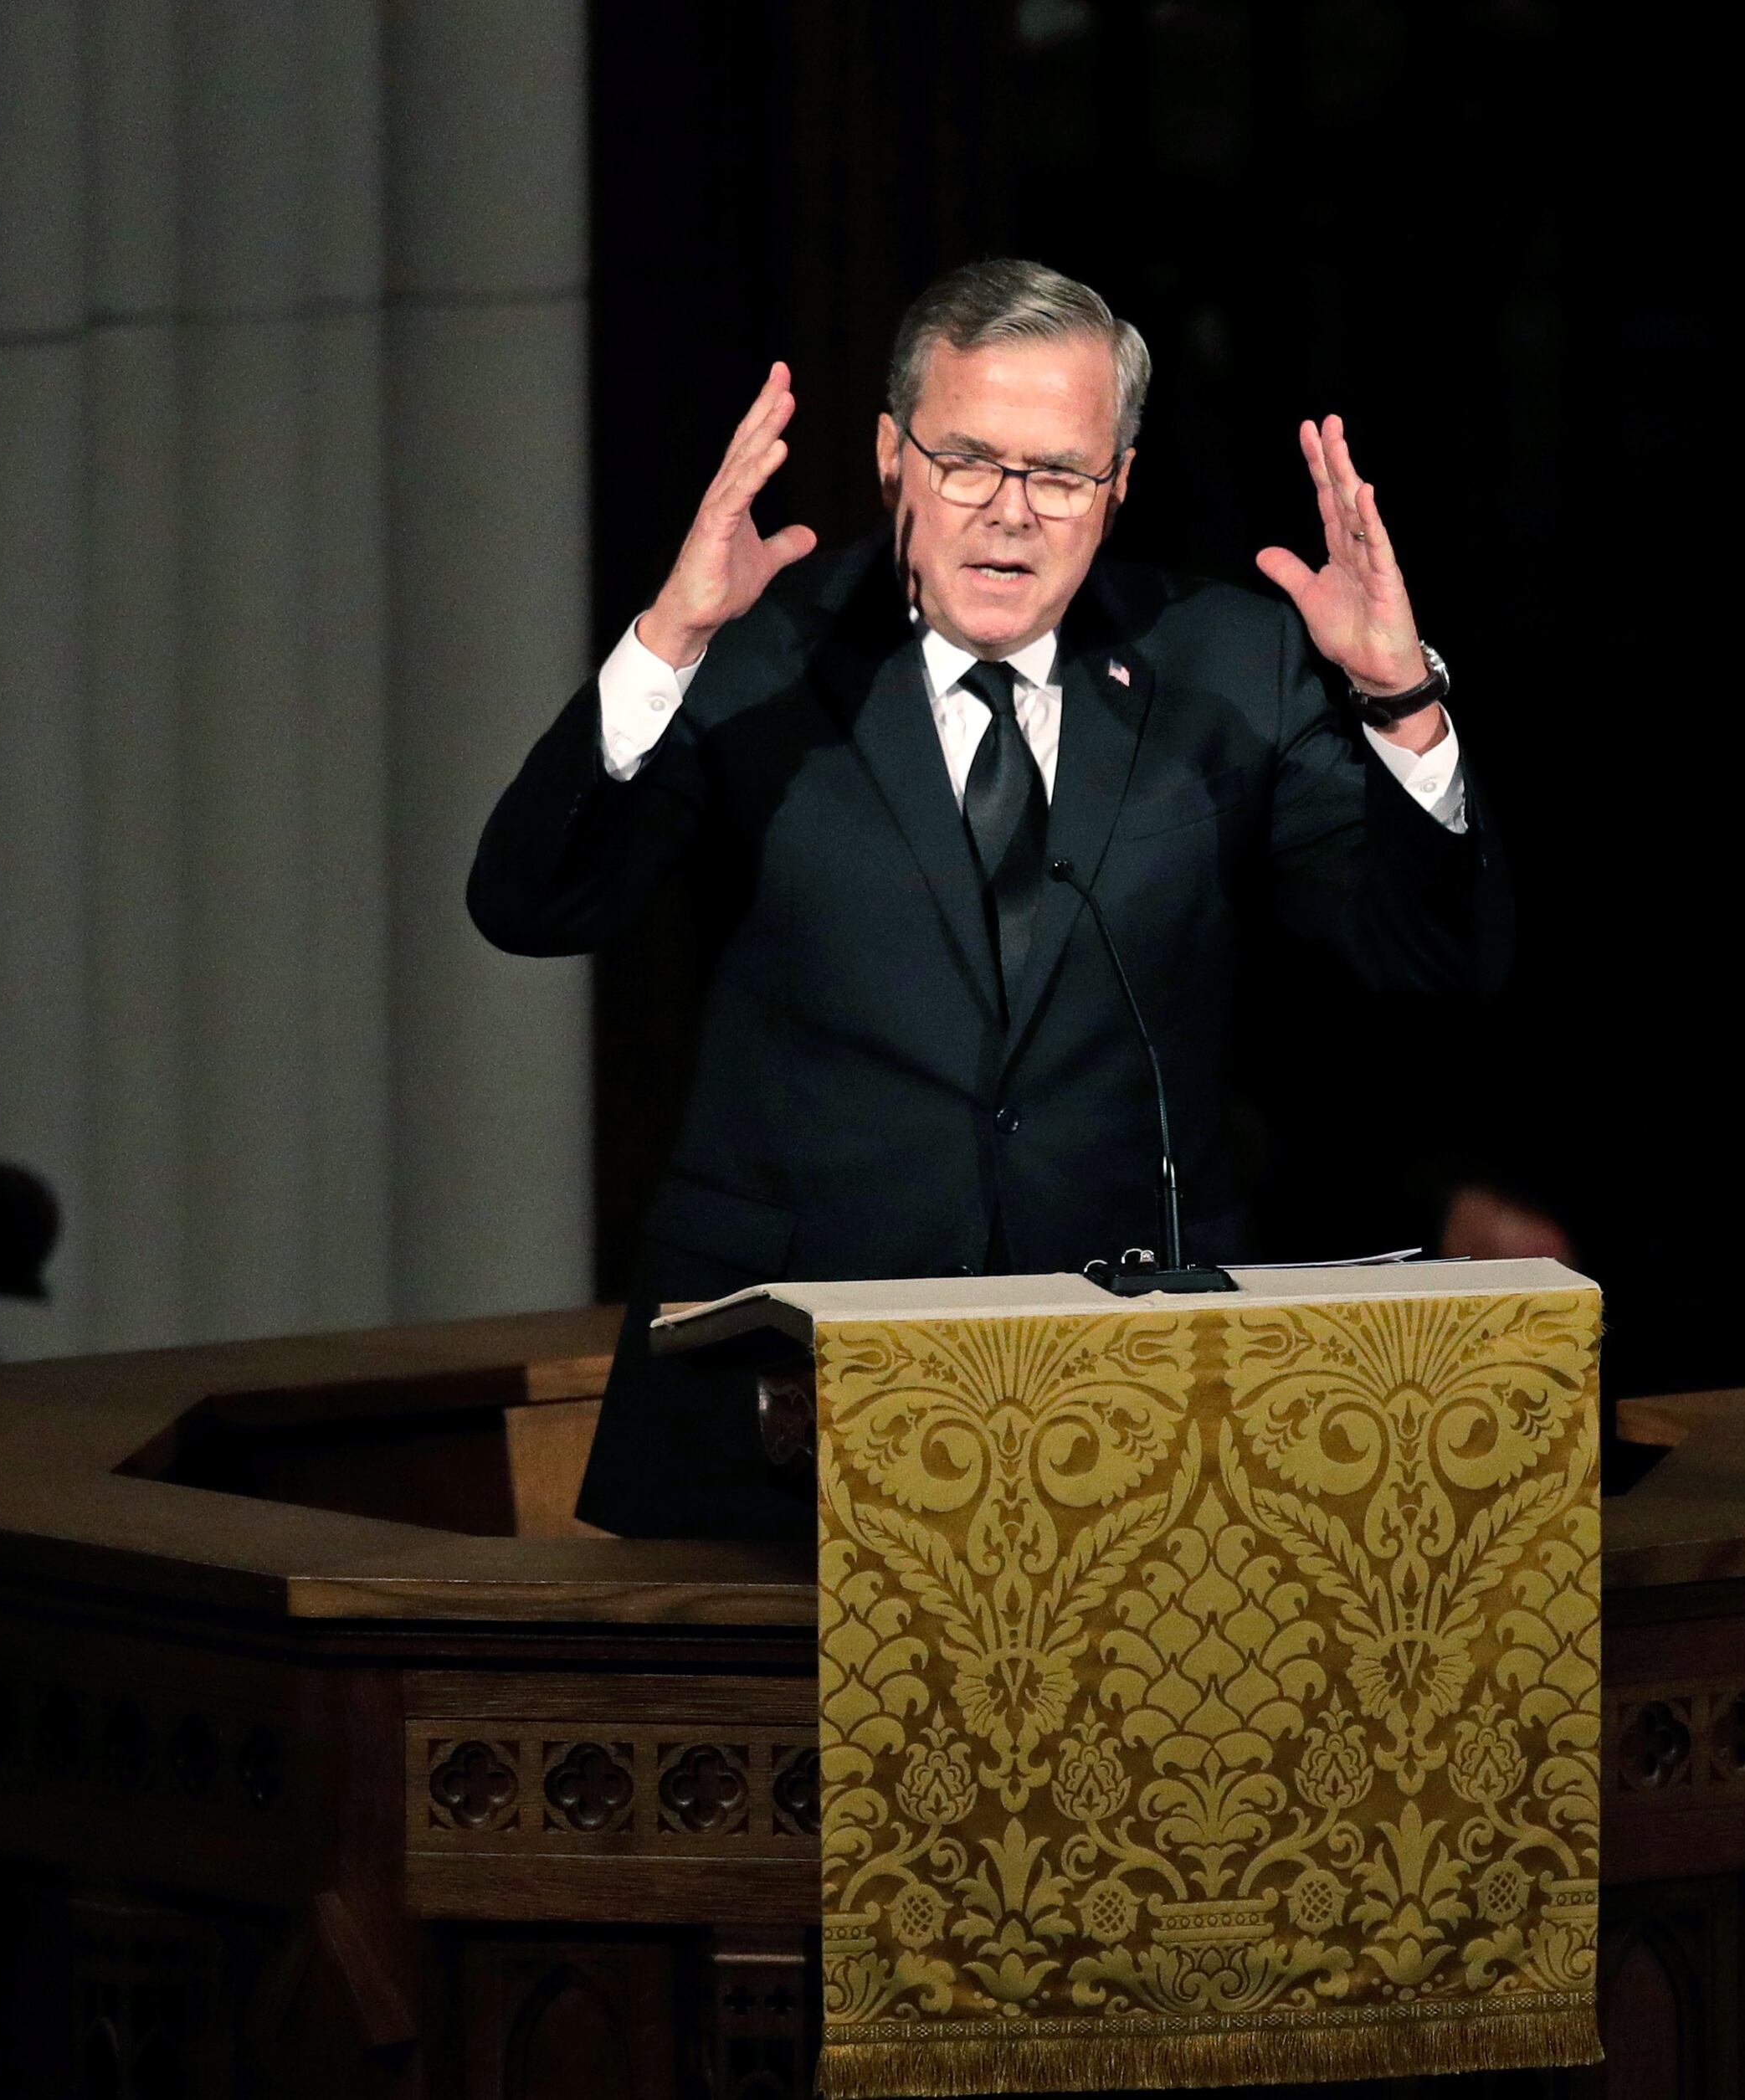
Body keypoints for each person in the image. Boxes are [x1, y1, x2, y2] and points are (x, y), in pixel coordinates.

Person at [470, 258, 1510, 1539]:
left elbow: (1438, 955)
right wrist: (666, 645)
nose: (1009, 512)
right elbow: (530, 905)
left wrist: (1403, 702)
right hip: (786, 1399)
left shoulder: (1234, 665)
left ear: (1118, 484)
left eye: (1060, 473)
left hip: (1132, 1412)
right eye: (967, 459)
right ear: (892, 454)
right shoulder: (757, 648)